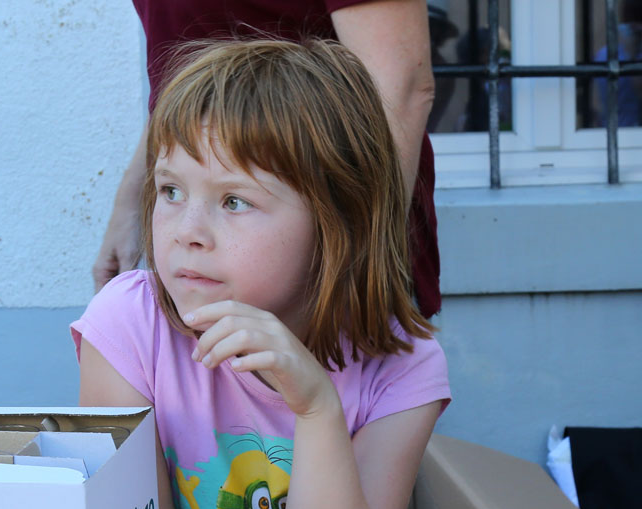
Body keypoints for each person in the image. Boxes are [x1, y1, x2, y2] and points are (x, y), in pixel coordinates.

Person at [74, 39, 451, 509]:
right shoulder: (128, 326)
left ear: (337, 220)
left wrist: (317, 408)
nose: (187, 231)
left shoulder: (404, 367)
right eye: (171, 190)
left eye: (234, 201)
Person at [93, 1, 442, 319]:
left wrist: (356, 263)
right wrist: (134, 201)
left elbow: (401, 85)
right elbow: (195, 93)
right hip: (212, 258)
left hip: (319, 273)